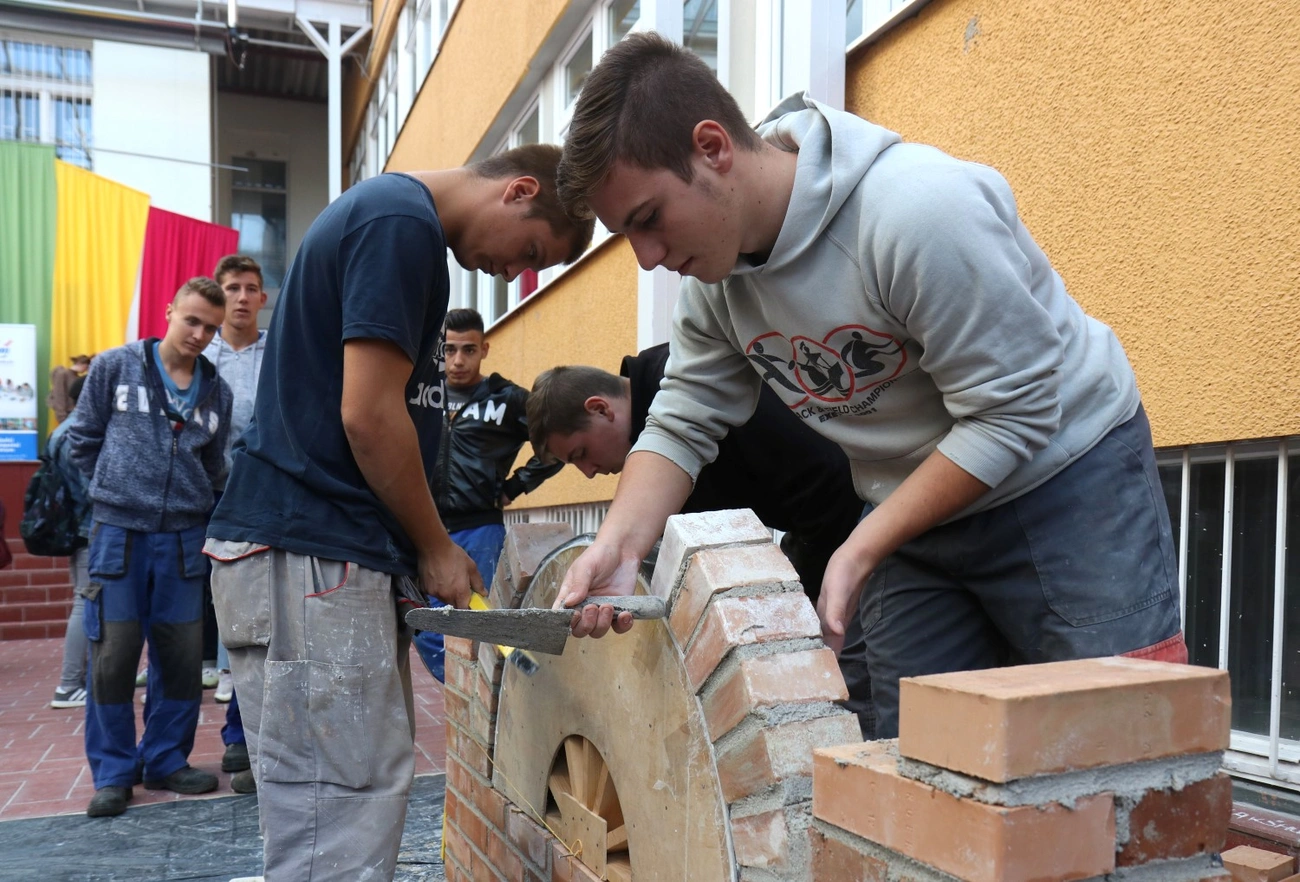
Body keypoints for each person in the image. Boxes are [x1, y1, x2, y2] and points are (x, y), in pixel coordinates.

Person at [549, 32, 1186, 740]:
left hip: (1066, 480)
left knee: (1122, 742)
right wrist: (618, 545)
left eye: (649, 219)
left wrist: (858, 547)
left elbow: (1013, 414)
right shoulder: (715, 284)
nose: (647, 259)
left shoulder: (915, 211)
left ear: (713, 148)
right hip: (912, 511)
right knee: (922, 768)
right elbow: (679, 424)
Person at [204, 143, 594, 882]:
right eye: (531, 252)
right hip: (307, 556)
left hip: (316, 556)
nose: (516, 273)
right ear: (519, 191)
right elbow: (370, 418)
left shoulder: (399, 225)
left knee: (340, 813)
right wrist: (436, 545)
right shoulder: (398, 223)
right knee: (337, 826)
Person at [528, 343, 874, 733]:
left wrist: (809, 592)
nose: (588, 473)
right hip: (826, 527)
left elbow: (829, 477)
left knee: (853, 684)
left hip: (872, 514)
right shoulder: (662, 439)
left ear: (600, 409)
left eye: (580, 454)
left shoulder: (693, 375)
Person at [64, 277, 233, 817]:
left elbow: (214, 469)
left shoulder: (216, 391)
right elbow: (82, 438)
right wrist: (113, 491)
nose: (200, 334)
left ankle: (165, 760)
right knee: (113, 659)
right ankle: (113, 772)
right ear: (169, 311)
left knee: (181, 660)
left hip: (184, 539)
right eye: (192, 321)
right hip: (118, 535)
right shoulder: (116, 367)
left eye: (211, 327)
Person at [413, 307, 563, 682]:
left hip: (479, 529)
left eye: (469, 350)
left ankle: (484, 705)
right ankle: (462, 694)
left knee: (481, 624)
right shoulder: (423, 395)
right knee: (424, 624)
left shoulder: (509, 398)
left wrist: (515, 486)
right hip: (421, 527)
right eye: (449, 351)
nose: (458, 360)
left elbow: (556, 442)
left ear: (485, 348)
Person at [201, 254, 270, 796]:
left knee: (253, 618)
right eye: (232, 288)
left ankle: (240, 736)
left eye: (251, 288)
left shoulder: (280, 352)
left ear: (262, 298)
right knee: (211, 619)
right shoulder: (202, 354)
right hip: (200, 498)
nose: (242, 297)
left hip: (259, 499)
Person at [49, 375, 91, 709]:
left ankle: (78, 681)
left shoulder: (61, 430)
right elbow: (91, 487)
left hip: (74, 527)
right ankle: (68, 685)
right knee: (85, 602)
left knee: (86, 600)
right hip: (88, 527)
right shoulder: (78, 432)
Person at [48, 354, 91, 424]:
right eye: (86, 367)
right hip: (66, 414)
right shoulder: (62, 374)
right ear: (83, 365)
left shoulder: (76, 377)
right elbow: (59, 395)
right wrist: (61, 416)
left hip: (73, 412)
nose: (85, 370)